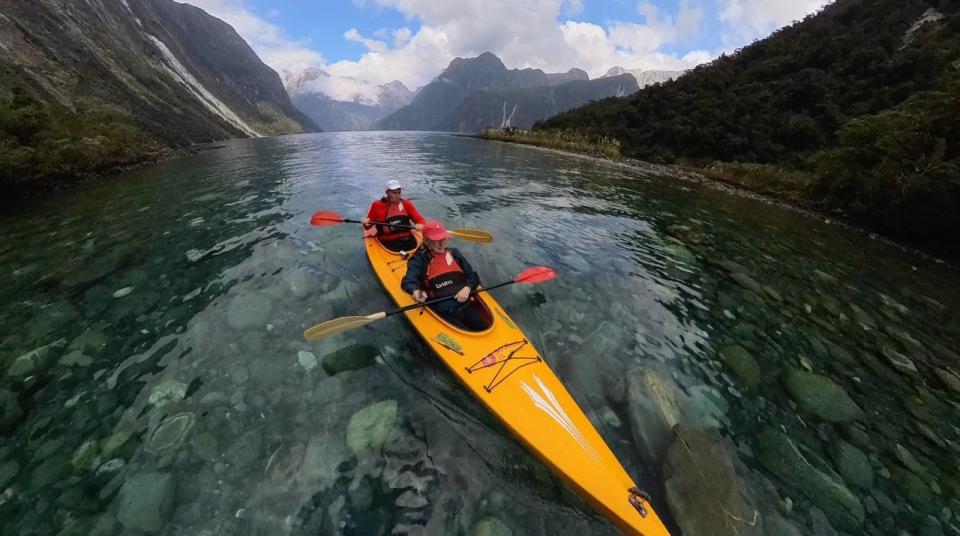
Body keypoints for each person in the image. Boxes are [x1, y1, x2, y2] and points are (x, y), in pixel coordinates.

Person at [401, 221, 489, 331]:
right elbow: (408, 281)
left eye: (443, 239)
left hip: (466, 304)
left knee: (484, 328)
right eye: (436, 240)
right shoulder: (419, 259)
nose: (441, 244)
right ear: (427, 242)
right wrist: (416, 291)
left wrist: (467, 288)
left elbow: (473, 276)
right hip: (443, 311)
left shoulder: (454, 253)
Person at [362, 179, 425, 252]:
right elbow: (368, 227)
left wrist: (420, 225)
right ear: (387, 193)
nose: (397, 196)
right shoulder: (377, 205)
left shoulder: (406, 204)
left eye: (399, 192)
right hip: (387, 241)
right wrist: (365, 223)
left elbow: (421, 221)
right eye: (394, 193)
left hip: (407, 239)